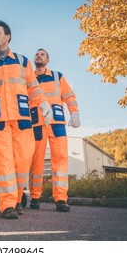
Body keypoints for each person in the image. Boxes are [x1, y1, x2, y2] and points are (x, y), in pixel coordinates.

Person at [0, 21, 52, 219]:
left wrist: (43, 104)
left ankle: (17, 199)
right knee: (3, 163)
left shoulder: (22, 61)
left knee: (23, 161)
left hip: (22, 120)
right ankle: (7, 205)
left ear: (7, 36)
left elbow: (33, 87)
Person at [29, 48, 80, 212]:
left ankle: (61, 199)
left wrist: (75, 113)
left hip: (57, 123)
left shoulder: (58, 77)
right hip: (36, 123)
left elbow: (69, 96)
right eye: (37, 54)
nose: (39, 56)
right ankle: (35, 197)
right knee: (35, 162)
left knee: (60, 161)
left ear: (48, 60)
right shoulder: (29, 79)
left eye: (42, 54)